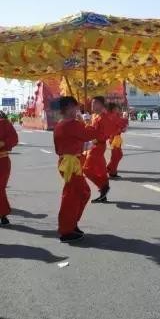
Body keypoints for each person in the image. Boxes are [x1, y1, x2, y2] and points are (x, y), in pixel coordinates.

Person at [54, 96, 101, 242]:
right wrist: (88, 121)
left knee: (81, 193)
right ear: (69, 109)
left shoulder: (60, 124)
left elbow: (64, 146)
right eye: (76, 108)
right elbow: (90, 134)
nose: (77, 111)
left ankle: (71, 224)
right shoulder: (72, 124)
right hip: (71, 164)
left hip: (68, 162)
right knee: (73, 196)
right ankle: (66, 230)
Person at [83, 96, 114, 203]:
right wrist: (86, 122)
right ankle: (103, 194)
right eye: (92, 103)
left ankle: (103, 187)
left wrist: (92, 134)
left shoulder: (103, 118)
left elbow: (104, 134)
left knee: (86, 169)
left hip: (97, 146)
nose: (92, 105)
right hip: (93, 145)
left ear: (101, 105)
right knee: (101, 170)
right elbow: (90, 130)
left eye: (94, 103)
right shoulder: (95, 116)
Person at [0, 111, 19, 225]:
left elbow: (14, 139)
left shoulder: (4, 123)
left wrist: (3, 143)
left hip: (2, 161)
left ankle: (3, 214)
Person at [106, 103, 128, 178]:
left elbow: (122, 127)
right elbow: (121, 125)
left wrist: (123, 125)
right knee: (117, 155)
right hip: (114, 138)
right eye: (117, 108)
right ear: (113, 109)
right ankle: (110, 169)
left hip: (116, 138)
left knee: (117, 155)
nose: (118, 110)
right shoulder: (112, 116)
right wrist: (125, 119)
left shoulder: (115, 116)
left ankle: (111, 170)